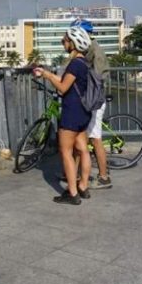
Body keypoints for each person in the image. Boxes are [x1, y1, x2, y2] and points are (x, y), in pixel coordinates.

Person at [33, 24, 93, 205]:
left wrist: (49, 77)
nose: (63, 43)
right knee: (83, 149)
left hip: (71, 112)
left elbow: (63, 87)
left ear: (73, 43)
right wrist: (46, 73)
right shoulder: (84, 63)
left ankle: (72, 193)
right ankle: (83, 186)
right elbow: (68, 82)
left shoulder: (74, 64)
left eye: (65, 40)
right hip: (83, 113)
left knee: (65, 151)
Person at [73, 20, 112, 190]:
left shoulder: (93, 51)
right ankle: (73, 173)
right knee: (81, 138)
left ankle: (103, 177)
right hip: (90, 101)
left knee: (95, 140)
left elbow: (97, 78)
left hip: (94, 102)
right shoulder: (90, 49)